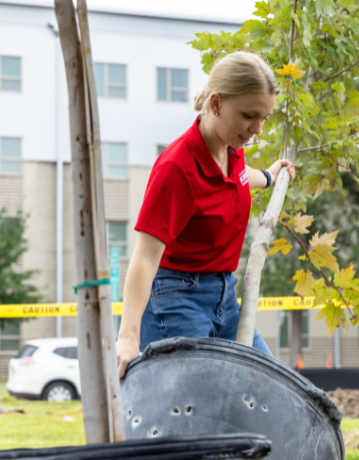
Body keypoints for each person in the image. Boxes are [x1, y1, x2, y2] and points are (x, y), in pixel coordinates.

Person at [116, 52, 296, 378]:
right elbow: (144, 256)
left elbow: (239, 179)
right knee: (197, 402)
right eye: (248, 115)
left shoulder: (232, 150)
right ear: (215, 104)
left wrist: (269, 176)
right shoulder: (176, 169)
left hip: (225, 301)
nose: (256, 128)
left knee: (269, 382)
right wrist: (127, 337)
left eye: (265, 118)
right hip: (176, 301)